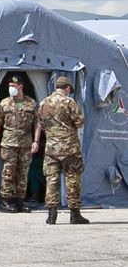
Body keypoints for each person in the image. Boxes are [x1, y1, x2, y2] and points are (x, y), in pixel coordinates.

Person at [35, 76, 89, 225]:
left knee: (51, 180)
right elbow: (80, 123)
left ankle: (51, 215)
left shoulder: (43, 103)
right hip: (69, 148)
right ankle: (74, 214)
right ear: (68, 88)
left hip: (51, 148)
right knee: (72, 179)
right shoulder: (69, 102)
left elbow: (41, 124)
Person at [0, 75, 39, 213]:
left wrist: (36, 141)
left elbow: (37, 124)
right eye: (9, 86)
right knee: (8, 172)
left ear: (20, 87)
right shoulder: (4, 103)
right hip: (9, 143)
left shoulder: (31, 103)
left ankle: (20, 202)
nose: (11, 88)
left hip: (26, 144)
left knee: (23, 173)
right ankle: (5, 201)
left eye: (13, 86)